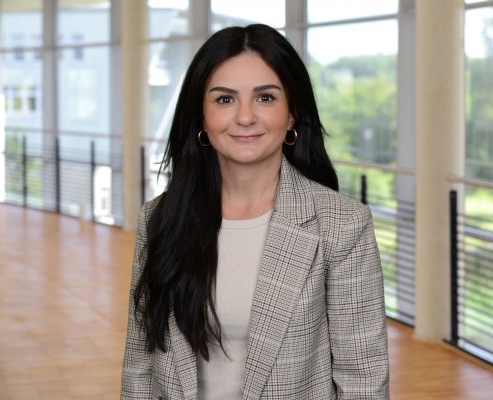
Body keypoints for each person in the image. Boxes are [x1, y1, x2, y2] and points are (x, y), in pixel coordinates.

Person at [121, 23, 389, 399]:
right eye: (225, 99)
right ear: (201, 116)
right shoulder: (161, 219)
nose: (245, 117)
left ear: (292, 113)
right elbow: (140, 366)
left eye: (265, 98)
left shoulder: (341, 225)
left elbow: (363, 380)